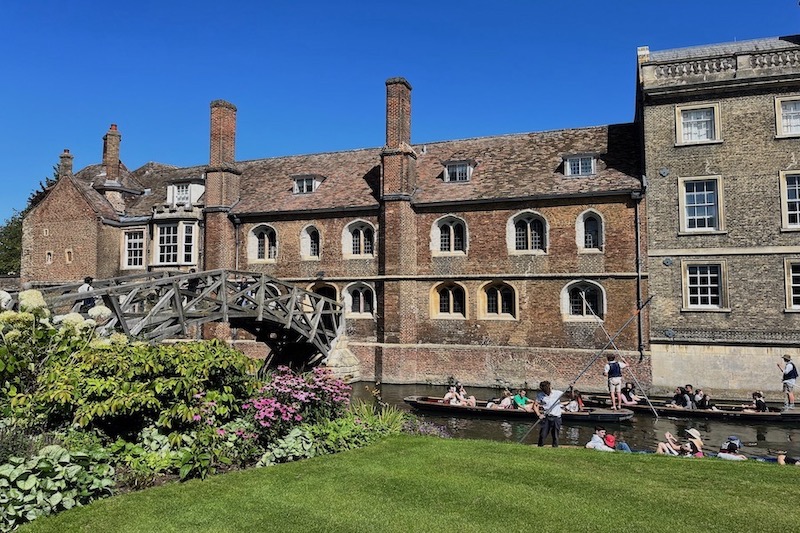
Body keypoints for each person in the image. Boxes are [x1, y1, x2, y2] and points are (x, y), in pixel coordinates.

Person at [533, 380, 563, 447]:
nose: (546, 391)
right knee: (542, 434)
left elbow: (571, 397)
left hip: (556, 417)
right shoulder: (540, 395)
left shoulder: (557, 393)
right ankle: (540, 447)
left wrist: (571, 388)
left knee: (555, 435)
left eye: (547, 389)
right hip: (546, 417)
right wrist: (538, 414)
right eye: (544, 390)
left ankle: (555, 448)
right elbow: (535, 405)